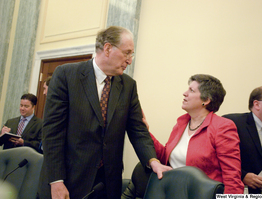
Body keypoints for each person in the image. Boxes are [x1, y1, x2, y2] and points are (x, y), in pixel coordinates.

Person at [37, 26, 171, 199]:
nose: (130, 60)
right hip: (68, 180)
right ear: (107, 48)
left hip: (107, 184)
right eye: (127, 53)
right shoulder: (66, 75)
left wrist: (153, 162)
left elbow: (138, 129)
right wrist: (56, 180)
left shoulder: (128, 85)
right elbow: (52, 132)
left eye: (132, 54)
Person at [149, 74, 244, 194]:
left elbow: (232, 177)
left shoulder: (223, 126)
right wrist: (145, 132)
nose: (184, 93)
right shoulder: (181, 124)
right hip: (174, 192)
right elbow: (165, 158)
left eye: (191, 90)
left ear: (206, 100)